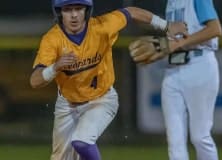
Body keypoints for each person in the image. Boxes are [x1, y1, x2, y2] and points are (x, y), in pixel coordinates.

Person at [30, 0, 187, 160]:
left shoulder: (102, 27)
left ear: (87, 10)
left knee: (82, 141)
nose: (74, 15)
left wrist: (166, 26)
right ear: (59, 12)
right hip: (67, 105)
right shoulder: (52, 40)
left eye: (79, 8)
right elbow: (35, 81)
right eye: (68, 9)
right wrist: (54, 68)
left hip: (101, 99)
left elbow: (131, 11)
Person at [129, 0, 222, 160]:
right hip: (173, 70)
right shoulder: (171, 2)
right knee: (175, 141)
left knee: (200, 137)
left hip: (200, 64)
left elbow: (215, 29)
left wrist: (178, 43)